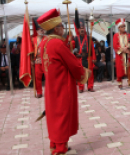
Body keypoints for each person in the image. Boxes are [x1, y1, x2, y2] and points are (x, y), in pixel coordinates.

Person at [37, 8, 90, 155]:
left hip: (51, 84)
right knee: (62, 115)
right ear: (56, 28)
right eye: (62, 26)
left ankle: (55, 144)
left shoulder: (44, 43)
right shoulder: (57, 44)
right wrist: (83, 72)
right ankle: (60, 150)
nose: (63, 29)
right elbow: (72, 64)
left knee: (54, 114)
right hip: (62, 85)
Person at [74, 19, 96, 93]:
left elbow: (92, 48)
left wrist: (94, 58)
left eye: (83, 28)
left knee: (90, 73)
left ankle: (90, 86)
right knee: (81, 73)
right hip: (80, 58)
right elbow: (73, 47)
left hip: (88, 57)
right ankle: (81, 87)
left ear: (85, 29)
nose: (82, 29)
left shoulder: (89, 38)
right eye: (80, 28)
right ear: (78, 29)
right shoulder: (76, 38)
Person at [113, 18, 130, 89]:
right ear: (119, 28)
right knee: (120, 69)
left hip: (127, 54)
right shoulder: (116, 35)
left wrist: (128, 48)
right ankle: (120, 82)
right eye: (122, 26)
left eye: (124, 26)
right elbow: (115, 45)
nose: (124, 28)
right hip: (120, 55)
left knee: (129, 68)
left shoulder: (128, 35)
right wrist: (123, 49)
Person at [32, 18, 46, 98]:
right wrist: (31, 60)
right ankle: (39, 92)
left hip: (45, 60)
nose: (42, 30)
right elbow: (30, 51)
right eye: (40, 29)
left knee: (48, 77)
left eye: (42, 29)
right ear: (37, 30)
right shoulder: (33, 39)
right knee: (38, 78)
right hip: (37, 60)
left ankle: (50, 91)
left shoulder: (46, 38)